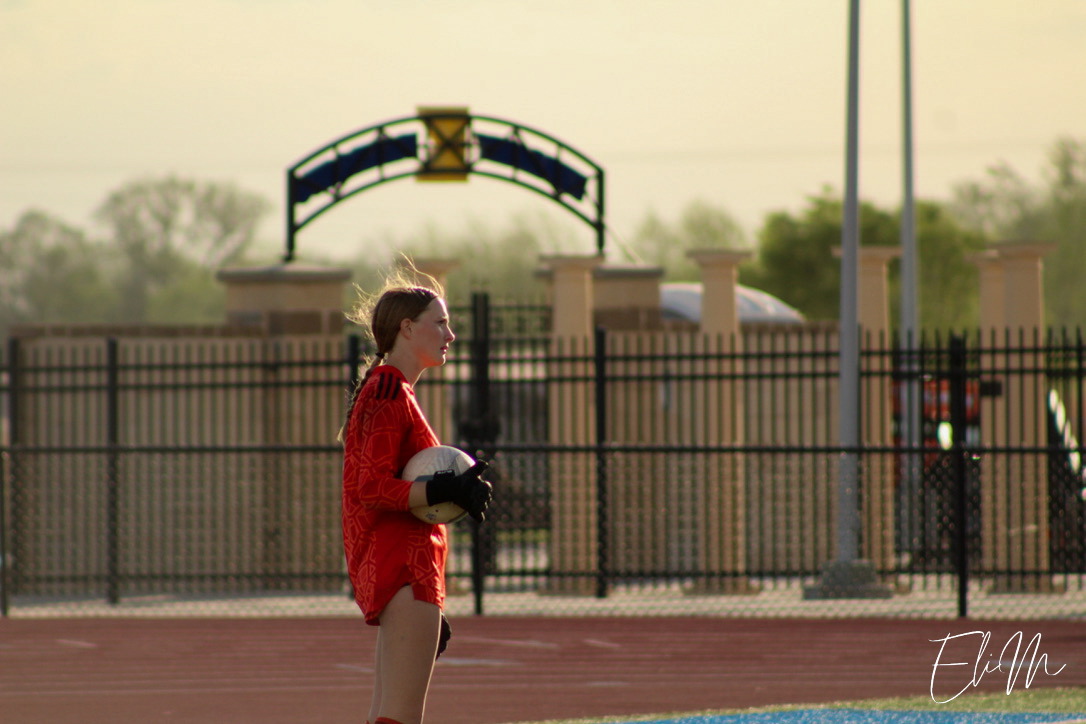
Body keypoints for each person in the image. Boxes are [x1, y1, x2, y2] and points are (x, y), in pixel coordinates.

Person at [340, 268, 492, 724]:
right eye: (440, 322)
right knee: (400, 718)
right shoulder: (387, 387)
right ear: (407, 328)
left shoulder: (394, 389)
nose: (451, 333)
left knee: (385, 716)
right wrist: (444, 488)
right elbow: (370, 487)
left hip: (405, 569)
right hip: (404, 565)